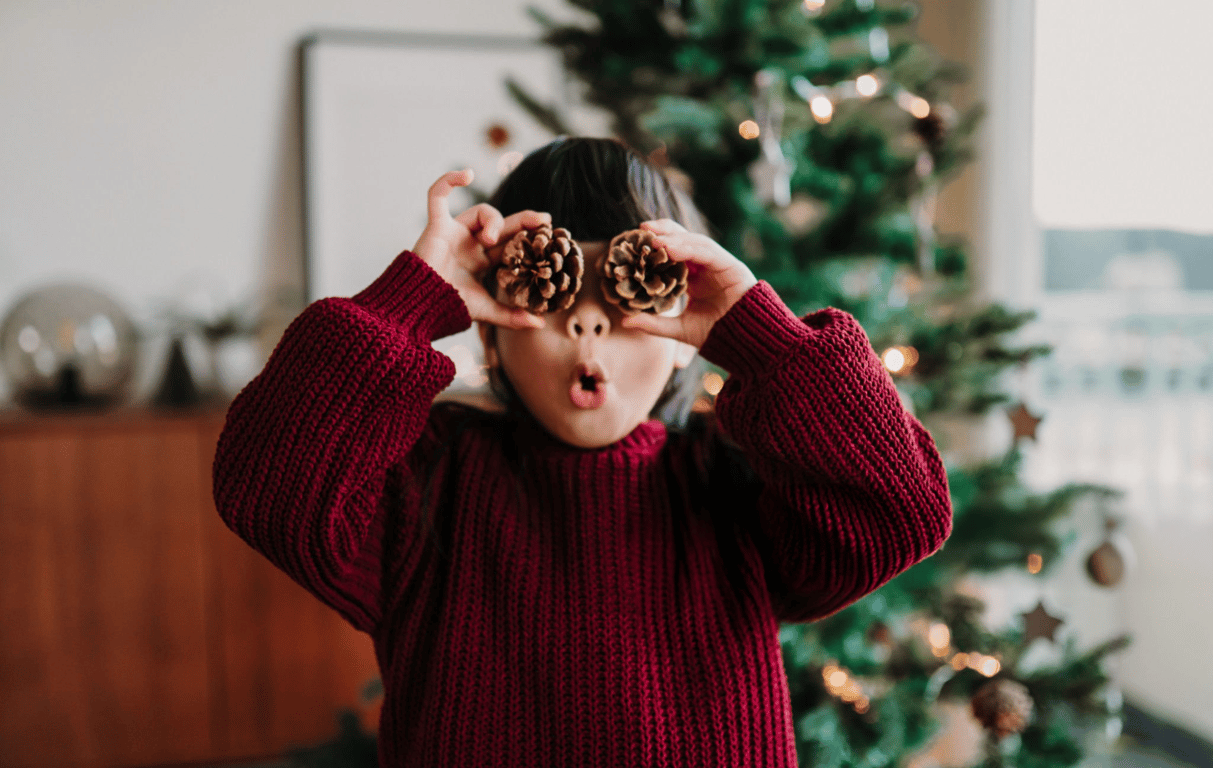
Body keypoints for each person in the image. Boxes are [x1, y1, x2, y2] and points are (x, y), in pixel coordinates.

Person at [212, 137, 952, 766]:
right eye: (552, 293)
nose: (589, 323)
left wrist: (764, 341)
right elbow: (270, 488)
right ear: (495, 324)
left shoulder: (733, 487)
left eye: (630, 295)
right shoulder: (426, 485)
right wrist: (410, 301)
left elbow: (901, 513)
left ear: (683, 337)